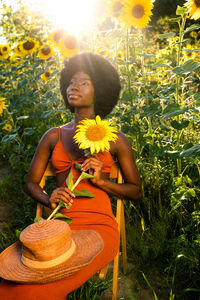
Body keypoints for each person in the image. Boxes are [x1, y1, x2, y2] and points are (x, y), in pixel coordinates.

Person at [0, 52, 142, 299]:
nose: (73, 86)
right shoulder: (52, 136)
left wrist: (101, 181)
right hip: (57, 228)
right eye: (71, 81)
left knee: (33, 293)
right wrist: (47, 198)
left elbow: (136, 191)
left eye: (84, 82)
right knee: (8, 284)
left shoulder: (116, 140)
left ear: (101, 91)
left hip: (98, 229)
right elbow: (31, 182)